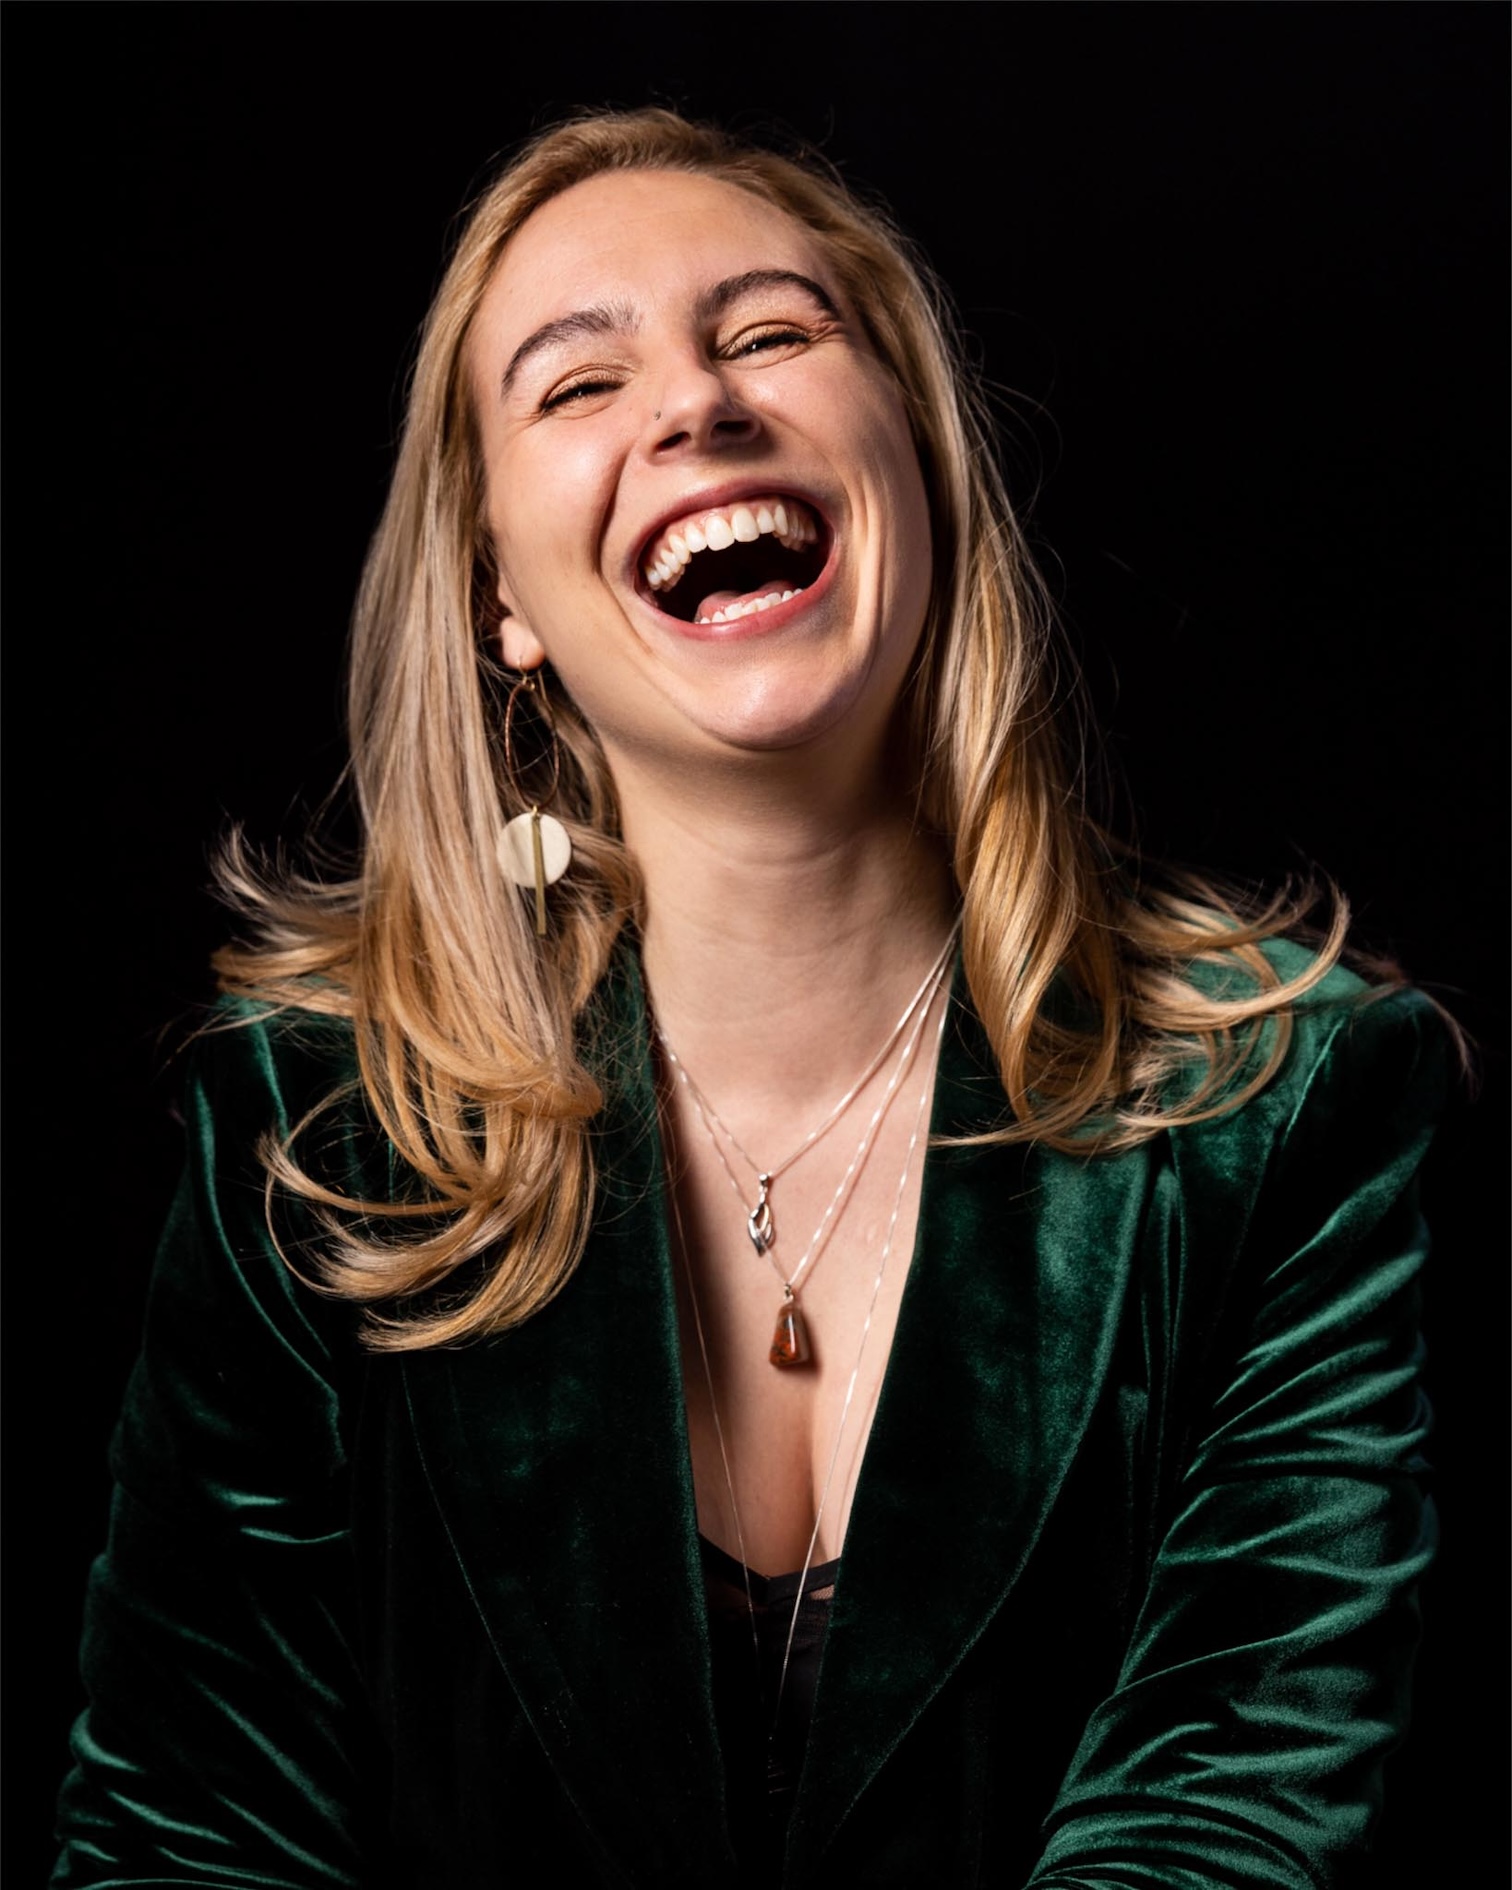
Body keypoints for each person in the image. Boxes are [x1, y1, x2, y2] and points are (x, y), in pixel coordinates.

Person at [53, 108, 1453, 1889]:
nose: (696, 403)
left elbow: (1231, 1822)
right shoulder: (314, 1137)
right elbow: (188, 1839)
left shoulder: (1296, 1106)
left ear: (920, 463)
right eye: (575, 384)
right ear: (503, 597)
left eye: (773, 332)